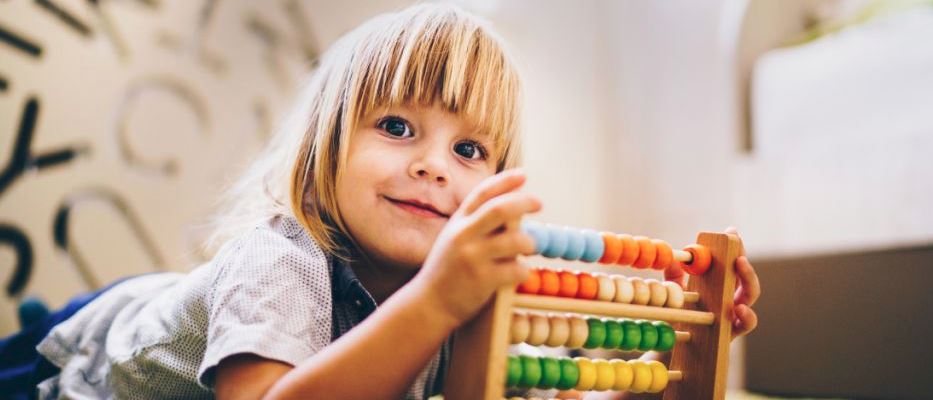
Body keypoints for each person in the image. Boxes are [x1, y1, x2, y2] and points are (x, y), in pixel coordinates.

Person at [0, 3, 760, 399]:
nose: (434, 167)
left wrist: (683, 351)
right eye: (397, 127)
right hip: (71, 367)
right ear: (325, 148)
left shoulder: (462, 297)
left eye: (469, 151)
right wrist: (433, 300)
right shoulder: (282, 255)